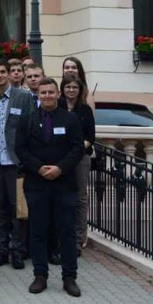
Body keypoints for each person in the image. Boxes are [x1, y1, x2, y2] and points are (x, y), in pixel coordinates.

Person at [16, 77, 84, 297]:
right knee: (38, 231)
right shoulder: (28, 119)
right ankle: (40, 275)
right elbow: (20, 149)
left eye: (50, 92)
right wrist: (39, 168)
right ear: (38, 95)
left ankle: (69, 277)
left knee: (67, 232)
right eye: (43, 92)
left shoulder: (70, 119)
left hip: (64, 184)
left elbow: (77, 149)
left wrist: (60, 168)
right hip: (36, 183)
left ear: (57, 94)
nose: (47, 96)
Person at [0, 59, 33, 270]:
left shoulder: (24, 97)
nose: (0, 75)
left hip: (15, 162)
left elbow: (30, 127)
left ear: (10, 74)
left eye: (3, 72)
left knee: (17, 209)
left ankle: (17, 251)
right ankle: (1, 251)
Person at [60, 74, 95, 255]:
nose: (71, 90)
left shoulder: (85, 110)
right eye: (68, 87)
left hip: (80, 158)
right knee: (60, 198)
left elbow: (90, 137)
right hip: (60, 159)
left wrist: (75, 150)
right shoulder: (57, 107)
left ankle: (78, 240)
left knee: (80, 198)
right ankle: (60, 239)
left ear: (80, 90)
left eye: (75, 87)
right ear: (63, 89)